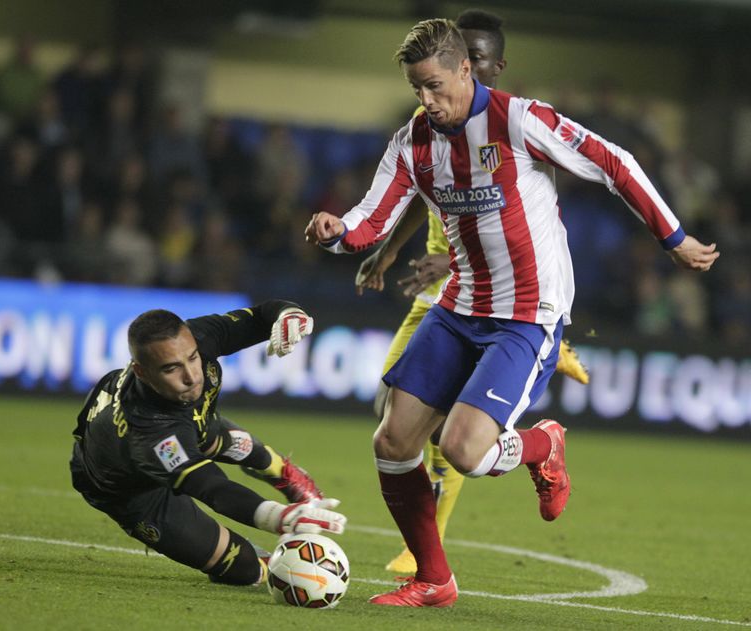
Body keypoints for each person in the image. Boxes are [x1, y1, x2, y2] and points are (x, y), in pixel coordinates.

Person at [305, 19, 718, 607]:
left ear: (465, 70)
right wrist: (335, 232)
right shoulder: (413, 142)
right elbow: (370, 219)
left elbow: (614, 161)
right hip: (458, 305)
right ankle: (433, 579)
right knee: (393, 442)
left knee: (465, 451)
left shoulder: (520, 120)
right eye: (416, 89)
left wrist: (672, 237)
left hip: (528, 313)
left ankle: (544, 444)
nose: (426, 101)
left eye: (434, 86)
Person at [354, 9, 589, 575]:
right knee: (393, 417)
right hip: (443, 295)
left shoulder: (513, 127)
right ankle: (531, 384)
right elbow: (408, 194)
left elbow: (529, 222)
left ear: (487, 67)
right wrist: (384, 252)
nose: (473, 70)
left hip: (501, 296)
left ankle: (425, 547)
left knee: (456, 440)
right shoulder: (425, 125)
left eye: (482, 62)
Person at [70, 301, 346, 587]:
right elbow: (210, 486)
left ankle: (283, 473)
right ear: (142, 372)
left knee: (237, 444)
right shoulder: (151, 431)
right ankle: (255, 559)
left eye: (192, 358)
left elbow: (262, 316)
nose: (191, 376)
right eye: (171, 369)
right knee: (246, 571)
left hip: (192, 424)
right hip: (132, 491)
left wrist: (288, 315)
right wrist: (277, 517)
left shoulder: (198, 336)